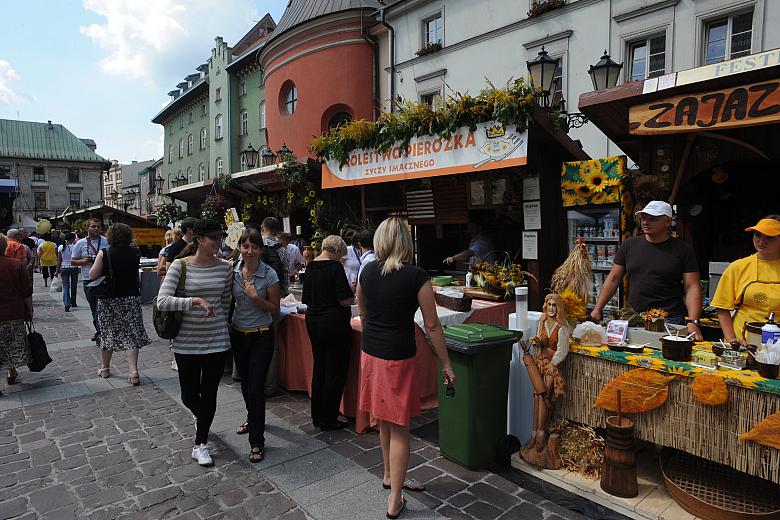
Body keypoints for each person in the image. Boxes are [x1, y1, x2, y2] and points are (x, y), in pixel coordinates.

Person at [356, 217, 455, 518]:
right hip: (397, 356)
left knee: (385, 420)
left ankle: (389, 475)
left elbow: (363, 312)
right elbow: (433, 325)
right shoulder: (416, 276)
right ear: (406, 242)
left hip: (371, 352)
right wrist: (446, 363)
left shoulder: (367, 271)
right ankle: (395, 499)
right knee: (399, 427)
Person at [156, 219, 231, 467]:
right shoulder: (179, 266)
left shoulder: (225, 268)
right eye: (214, 238)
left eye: (220, 237)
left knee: (209, 393)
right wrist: (194, 301)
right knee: (189, 394)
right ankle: (202, 417)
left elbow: (225, 302)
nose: (218, 242)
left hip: (216, 340)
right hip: (186, 342)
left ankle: (201, 444)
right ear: (199, 240)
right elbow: (162, 301)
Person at [590, 201, 703, 340]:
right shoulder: (629, 245)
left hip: (669, 318)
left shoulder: (683, 249)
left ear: (667, 222)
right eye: (644, 218)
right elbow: (613, 278)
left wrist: (692, 321)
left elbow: (692, 286)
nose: (646, 222)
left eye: (653, 219)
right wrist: (598, 308)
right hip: (633, 316)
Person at [230, 228, 280, 462]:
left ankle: (257, 441)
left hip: (262, 335)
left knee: (256, 387)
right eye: (245, 246)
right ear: (239, 247)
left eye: (254, 247)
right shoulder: (233, 272)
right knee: (245, 383)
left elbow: (274, 308)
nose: (249, 251)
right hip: (239, 335)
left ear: (260, 249)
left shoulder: (269, 274)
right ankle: (253, 419)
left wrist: (254, 297)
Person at [302, 234, 354, 430]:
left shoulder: (311, 266)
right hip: (333, 322)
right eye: (342, 255)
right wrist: (352, 294)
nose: (342, 258)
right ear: (336, 251)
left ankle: (317, 414)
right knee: (335, 370)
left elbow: (307, 297)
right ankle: (328, 417)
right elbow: (344, 300)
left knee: (320, 367)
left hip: (313, 320)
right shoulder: (334, 267)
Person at [89, 224, 151, 384]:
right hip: (131, 297)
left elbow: (92, 275)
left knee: (107, 331)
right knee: (131, 333)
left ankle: (105, 368)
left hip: (109, 299)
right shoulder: (135, 252)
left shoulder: (105, 252)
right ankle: (133, 371)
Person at [712, 216, 780, 344]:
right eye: (757, 235)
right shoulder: (738, 267)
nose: (761, 241)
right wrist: (732, 340)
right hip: (743, 341)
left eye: (770, 237)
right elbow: (722, 307)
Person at [521, 293, 569, 467]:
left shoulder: (562, 327)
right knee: (537, 395)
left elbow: (562, 350)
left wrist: (553, 364)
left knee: (545, 394)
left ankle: (541, 435)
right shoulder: (542, 321)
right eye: (548, 305)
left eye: (554, 305)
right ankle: (534, 436)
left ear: (559, 308)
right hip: (540, 363)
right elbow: (540, 341)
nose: (551, 308)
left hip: (553, 367)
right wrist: (537, 341)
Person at [0, 233, 33, 391]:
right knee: (11, 344)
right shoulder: (16, 265)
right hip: (14, 312)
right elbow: (26, 292)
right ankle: (11, 372)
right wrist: (29, 311)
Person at [71, 218, 109, 342]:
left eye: (98, 226)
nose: (96, 229)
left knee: (103, 307)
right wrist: (84, 261)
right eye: (93, 226)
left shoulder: (106, 241)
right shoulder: (80, 243)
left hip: (104, 278)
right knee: (94, 307)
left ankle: (101, 331)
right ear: (87, 228)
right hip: (88, 279)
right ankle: (99, 330)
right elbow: (73, 260)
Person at [57, 232, 79, 311]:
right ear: (73, 239)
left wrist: (57, 271)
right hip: (74, 267)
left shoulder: (60, 247)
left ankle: (66, 303)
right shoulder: (75, 247)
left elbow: (59, 260)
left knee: (66, 286)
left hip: (64, 267)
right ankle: (73, 302)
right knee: (74, 286)